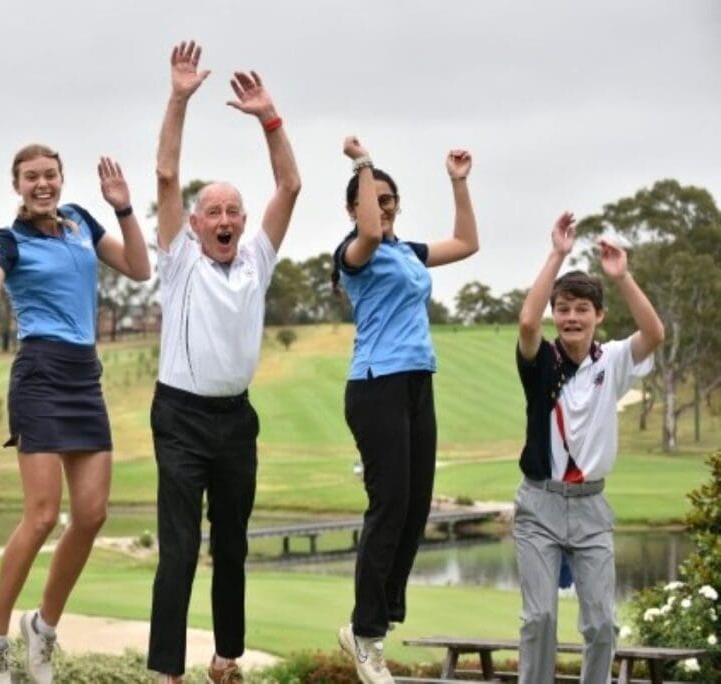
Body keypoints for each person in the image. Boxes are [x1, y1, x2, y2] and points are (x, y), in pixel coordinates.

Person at [0, 147, 150, 683]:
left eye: (49, 175)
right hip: (40, 373)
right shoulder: (8, 241)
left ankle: (43, 628)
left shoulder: (80, 221)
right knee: (41, 516)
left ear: (61, 179)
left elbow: (139, 268)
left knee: (92, 513)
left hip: (84, 374)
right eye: (31, 177)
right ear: (17, 184)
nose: (42, 184)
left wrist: (124, 209)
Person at [147, 41, 301, 684]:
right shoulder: (179, 259)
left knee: (231, 545)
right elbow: (165, 175)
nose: (225, 219)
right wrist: (179, 98)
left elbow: (290, 185)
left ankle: (226, 658)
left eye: (234, 211)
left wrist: (270, 119)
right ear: (194, 223)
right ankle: (168, 671)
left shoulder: (256, 261)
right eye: (213, 211)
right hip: (180, 418)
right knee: (181, 547)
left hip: (236, 420)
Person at [331, 137, 479, 683]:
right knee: (390, 504)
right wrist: (363, 163)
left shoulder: (408, 252)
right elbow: (371, 232)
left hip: (418, 382)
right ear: (354, 208)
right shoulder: (354, 253)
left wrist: (458, 183)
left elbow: (466, 243)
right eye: (374, 199)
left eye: (391, 199)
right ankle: (366, 633)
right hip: (377, 385)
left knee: (416, 508)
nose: (384, 207)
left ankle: (378, 619)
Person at [514, 213, 664, 683]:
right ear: (555, 315)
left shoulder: (613, 360)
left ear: (599, 316)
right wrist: (557, 253)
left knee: (601, 625)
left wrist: (622, 277)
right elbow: (526, 321)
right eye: (563, 309)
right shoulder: (541, 361)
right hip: (539, 505)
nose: (572, 317)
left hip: (591, 508)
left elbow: (654, 334)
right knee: (540, 619)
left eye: (582, 309)